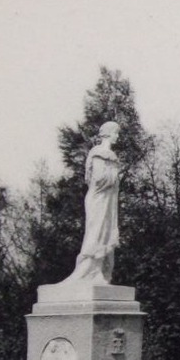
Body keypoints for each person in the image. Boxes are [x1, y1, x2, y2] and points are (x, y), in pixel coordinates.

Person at [62, 121, 123, 285]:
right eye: (116, 133)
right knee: (96, 232)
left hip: (108, 201)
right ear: (109, 133)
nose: (118, 136)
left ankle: (100, 272)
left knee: (105, 233)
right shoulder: (98, 153)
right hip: (98, 199)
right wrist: (114, 176)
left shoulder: (112, 157)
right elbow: (98, 179)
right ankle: (89, 270)